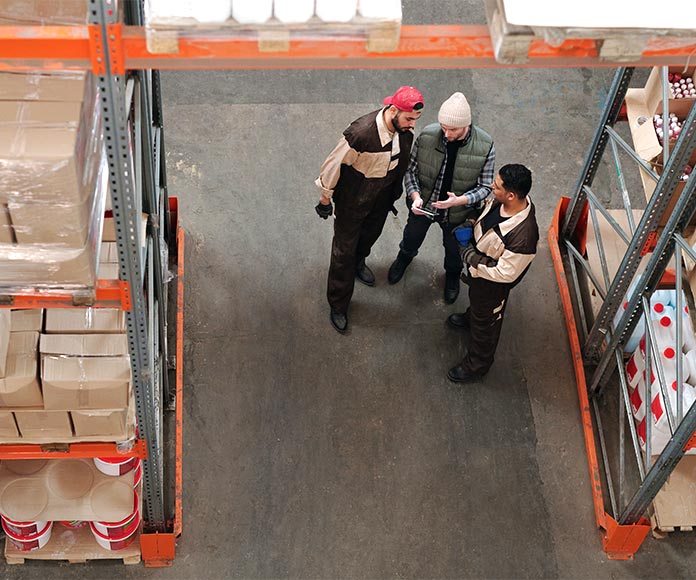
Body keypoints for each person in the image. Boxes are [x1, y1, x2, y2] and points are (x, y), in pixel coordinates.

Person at [315, 86, 424, 334]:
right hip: (353, 201)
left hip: (381, 197)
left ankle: (359, 263)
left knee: (369, 237)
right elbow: (333, 165)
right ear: (393, 110)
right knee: (344, 252)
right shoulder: (361, 134)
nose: (412, 125)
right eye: (409, 119)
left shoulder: (403, 130)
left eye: (415, 120)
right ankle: (339, 303)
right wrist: (325, 198)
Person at [387, 92, 496, 304]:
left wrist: (460, 201)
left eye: (453, 129)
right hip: (425, 205)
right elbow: (410, 170)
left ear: (467, 125)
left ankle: (452, 275)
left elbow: (485, 186)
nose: (446, 134)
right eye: (443, 127)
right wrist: (415, 196)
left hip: (458, 213)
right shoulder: (428, 135)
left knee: (455, 250)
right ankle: (404, 258)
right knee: (412, 236)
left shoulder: (485, 145)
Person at [446, 163, 539, 383]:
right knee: (477, 305)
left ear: (511, 195)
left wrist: (471, 258)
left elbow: (505, 273)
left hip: (493, 285)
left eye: (496, 186)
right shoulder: (500, 201)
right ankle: (471, 317)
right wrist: (470, 222)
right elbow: (484, 215)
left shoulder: (524, 236)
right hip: (479, 275)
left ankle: (477, 365)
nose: (491, 187)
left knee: (486, 325)